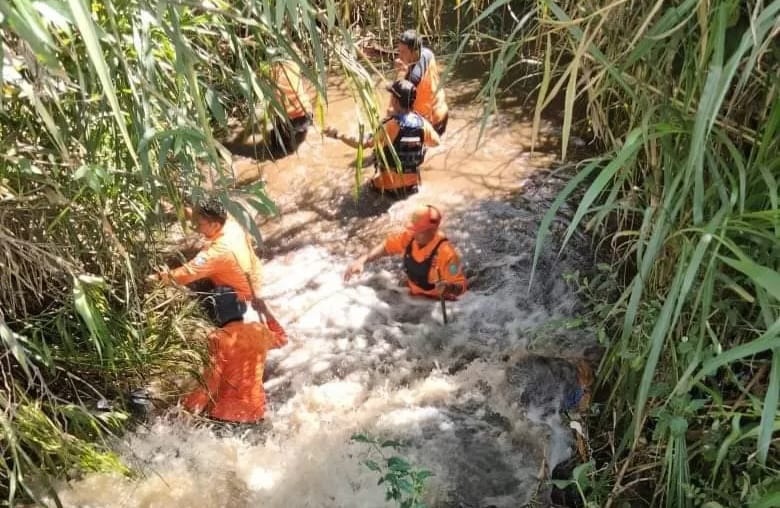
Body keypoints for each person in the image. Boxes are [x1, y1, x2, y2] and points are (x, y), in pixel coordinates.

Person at [148, 197, 287, 422]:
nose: (196, 228)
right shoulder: (231, 224)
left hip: (226, 418)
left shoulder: (218, 337)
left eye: (199, 224)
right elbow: (282, 338)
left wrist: (184, 413)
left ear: (214, 225)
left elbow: (185, 274)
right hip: (257, 413)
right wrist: (266, 311)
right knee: (245, 364)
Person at [326, 80, 440, 193]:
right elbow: (436, 143)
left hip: (387, 188)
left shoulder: (389, 125)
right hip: (412, 187)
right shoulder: (423, 124)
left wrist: (338, 135)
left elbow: (361, 143)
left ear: (395, 101)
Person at [343, 204, 466, 299]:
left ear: (432, 231)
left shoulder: (446, 253)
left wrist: (449, 287)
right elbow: (386, 247)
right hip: (410, 298)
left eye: (419, 230)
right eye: (413, 229)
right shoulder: (409, 237)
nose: (414, 233)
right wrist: (363, 260)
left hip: (434, 303)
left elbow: (461, 286)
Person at [394, 29, 449, 135]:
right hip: (441, 111)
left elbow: (396, 102)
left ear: (414, 51)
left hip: (430, 122)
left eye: (403, 52)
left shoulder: (413, 77)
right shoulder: (427, 53)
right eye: (399, 51)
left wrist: (401, 72)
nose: (399, 56)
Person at [265, 53, 313, 158]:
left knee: (278, 150)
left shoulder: (271, 70)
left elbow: (273, 98)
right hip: (306, 113)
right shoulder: (295, 65)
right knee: (293, 149)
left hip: (289, 118)